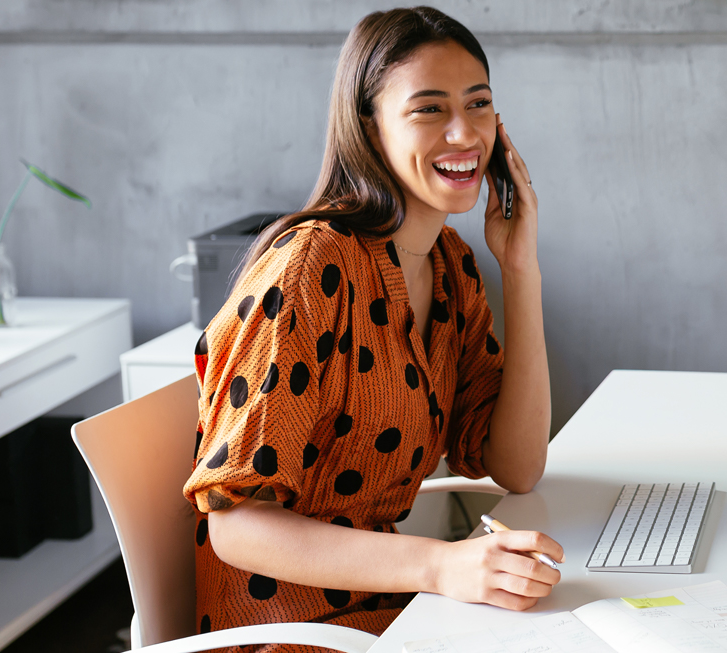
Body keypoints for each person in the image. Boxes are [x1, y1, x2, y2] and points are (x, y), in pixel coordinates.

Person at [182, 6, 559, 645]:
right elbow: (237, 524)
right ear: (369, 124)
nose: (465, 133)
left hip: (398, 610)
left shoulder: (450, 262)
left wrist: (520, 269)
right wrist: (441, 565)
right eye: (428, 109)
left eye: (479, 104)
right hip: (292, 632)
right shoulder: (309, 268)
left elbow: (517, 467)